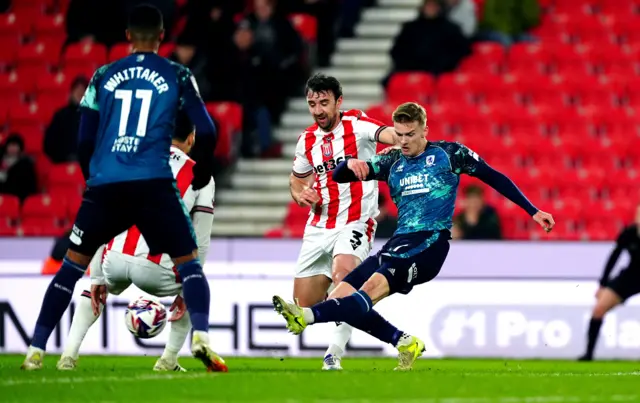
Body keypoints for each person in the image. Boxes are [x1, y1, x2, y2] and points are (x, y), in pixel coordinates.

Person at [273, 102, 555, 370]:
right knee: (341, 294)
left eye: (410, 134)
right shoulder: (391, 160)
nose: (404, 141)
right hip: (398, 243)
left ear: (424, 131)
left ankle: (306, 316)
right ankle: (403, 342)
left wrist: (532, 210)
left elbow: (494, 177)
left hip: (429, 244)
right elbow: (339, 176)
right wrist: (349, 165)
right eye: (399, 134)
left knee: (370, 290)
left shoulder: (449, 154)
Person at [21, 5, 222, 372]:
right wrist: (202, 172)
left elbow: (84, 140)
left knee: (70, 269)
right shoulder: (177, 73)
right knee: (191, 267)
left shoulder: (102, 75)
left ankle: (36, 349)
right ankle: (200, 337)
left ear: (127, 36)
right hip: (152, 183)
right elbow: (207, 130)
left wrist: (92, 179)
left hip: (107, 183)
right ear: (162, 36)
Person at [56, 113, 215, 372]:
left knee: (96, 288)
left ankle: (68, 356)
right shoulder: (201, 175)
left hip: (115, 260)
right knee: (196, 286)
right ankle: (168, 360)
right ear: (191, 138)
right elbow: (202, 240)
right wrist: (188, 288)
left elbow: (100, 220)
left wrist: (97, 276)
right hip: (156, 269)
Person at [290, 73, 398, 370]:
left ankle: (333, 354)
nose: (318, 110)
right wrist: (301, 194)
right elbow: (297, 181)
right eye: (312, 104)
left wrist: (400, 143)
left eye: (324, 103)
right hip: (319, 225)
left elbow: (389, 135)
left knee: (344, 276)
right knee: (304, 308)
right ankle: (349, 304)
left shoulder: (357, 125)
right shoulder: (307, 141)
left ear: (339, 101)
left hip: (356, 221)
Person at [578, 204, 640, 361]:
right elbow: (614, 256)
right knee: (599, 309)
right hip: (631, 277)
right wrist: (603, 284)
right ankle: (588, 354)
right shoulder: (629, 233)